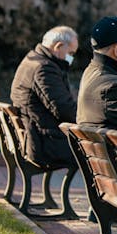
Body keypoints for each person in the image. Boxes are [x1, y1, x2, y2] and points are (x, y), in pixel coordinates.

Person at [10, 26, 78, 168]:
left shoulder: (32, 59)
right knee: (97, 151)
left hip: (36, 137)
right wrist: (88, 118)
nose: (71, 58)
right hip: (46, 144)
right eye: (71, 53)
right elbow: (64, 109)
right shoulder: (44, 68)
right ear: (58, 46)